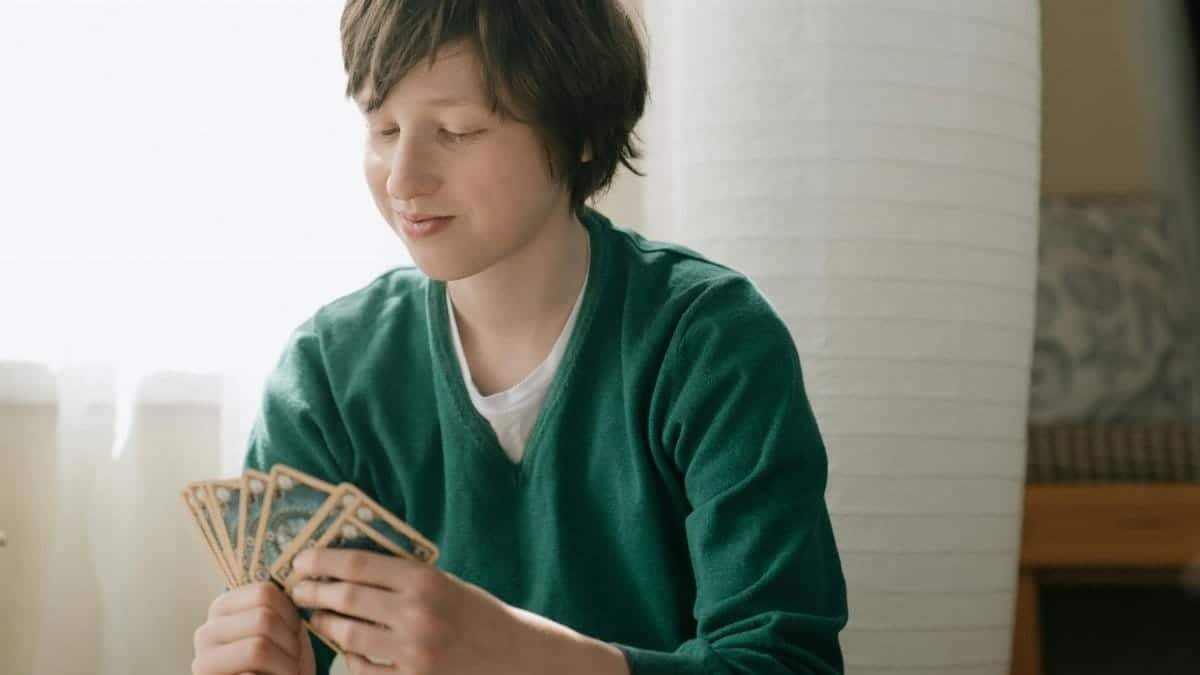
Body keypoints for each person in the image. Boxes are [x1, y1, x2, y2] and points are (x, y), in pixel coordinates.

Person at [190, 1, 848, 674]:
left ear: (579, 133)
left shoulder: (711, 343)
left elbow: (783, 661)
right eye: (383, 127)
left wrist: (519, 654)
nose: (402, 178)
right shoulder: (325, 373)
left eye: (456, 129)